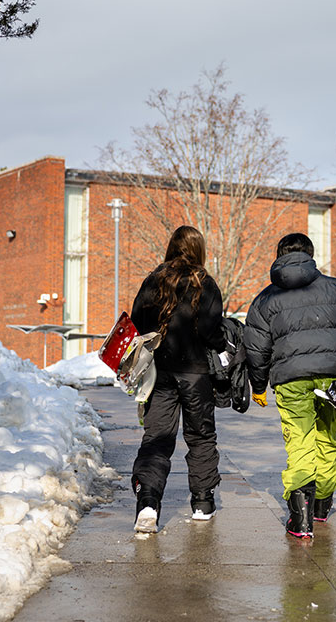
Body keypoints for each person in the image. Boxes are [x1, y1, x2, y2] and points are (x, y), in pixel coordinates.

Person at [243, 233, 336, 538]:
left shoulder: (265, 299)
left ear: (278, 256)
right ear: (311, 256)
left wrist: (258, 386)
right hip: (333, 378)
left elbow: (256, 349)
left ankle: (300, 519)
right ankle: (322, 506)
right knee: (326, 438)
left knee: (300, 443)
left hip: (290, 380)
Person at [129, 225, 227, 533]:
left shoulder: (153, 281)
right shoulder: (206, 284)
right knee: (200, 437)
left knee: (157, 437)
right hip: (196, 374)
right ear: (199, 250)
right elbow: (213, 333)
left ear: (171, 247)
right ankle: (202, 502)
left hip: (159, 372)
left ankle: (147, 502)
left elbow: (136, 325)